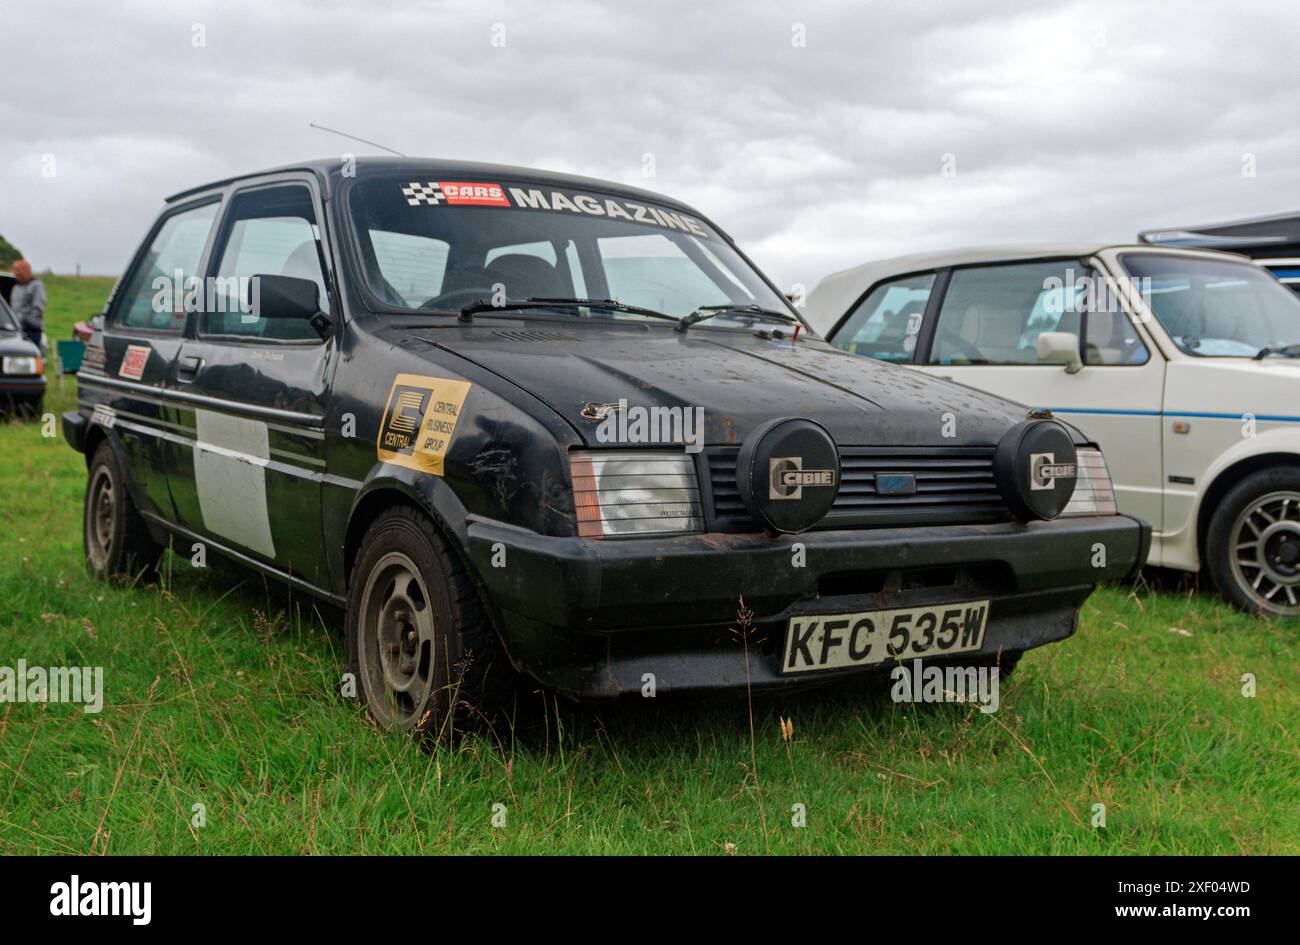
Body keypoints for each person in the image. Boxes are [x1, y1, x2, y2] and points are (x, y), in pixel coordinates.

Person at [10, 259, 46, 349]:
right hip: (16, 330)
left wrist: (23, 321)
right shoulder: (16, 288)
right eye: (14, 269)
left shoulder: (36, 286)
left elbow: (38, 309)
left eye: (17, 270)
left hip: (31, 331)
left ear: (26, 271)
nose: (15, 272)